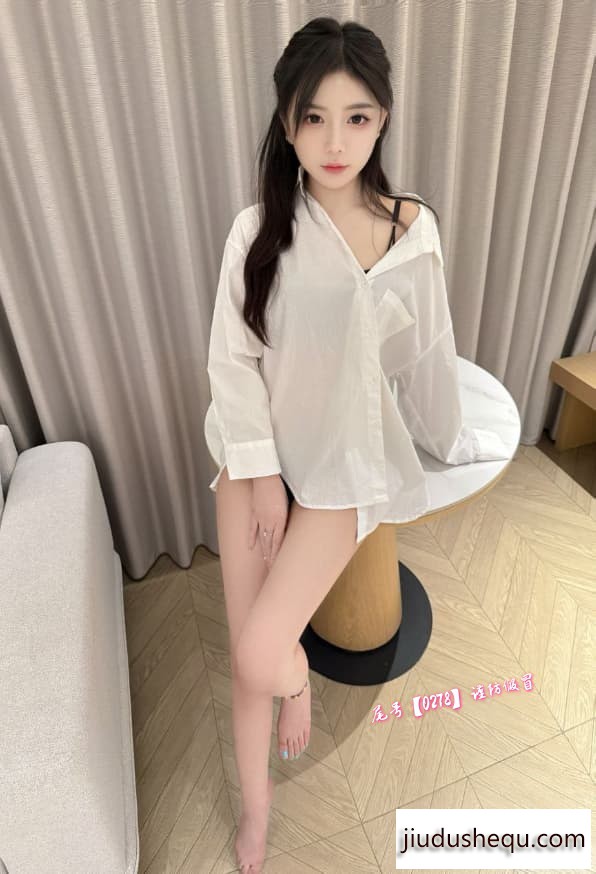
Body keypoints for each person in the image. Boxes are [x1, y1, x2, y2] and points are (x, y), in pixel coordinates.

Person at [204, 16, 509, 873]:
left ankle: (296, 677)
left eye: (357, 117)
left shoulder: (411, 232)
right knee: (246, 654)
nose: (334, 142)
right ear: (286, 121)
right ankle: (256, 811)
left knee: (261, 654)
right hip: (256, 457)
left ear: (383, 120)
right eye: (313, 118)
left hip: (343, 470)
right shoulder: (258, 231)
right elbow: (231, 362)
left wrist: (451, 438)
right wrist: (263, 476)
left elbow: (428, 355)